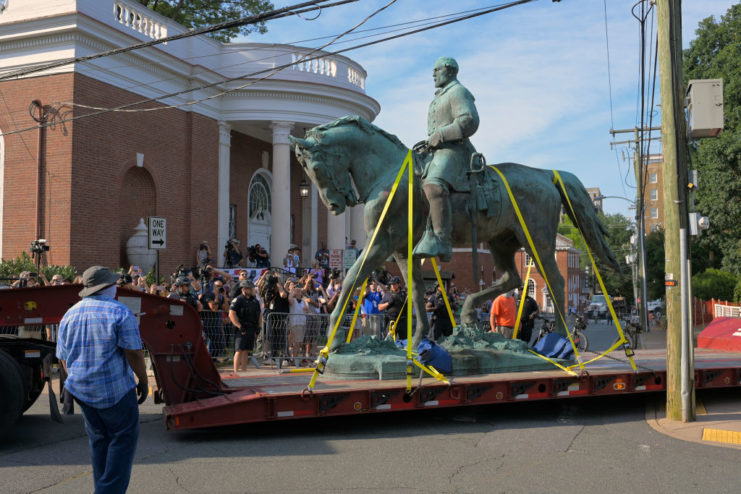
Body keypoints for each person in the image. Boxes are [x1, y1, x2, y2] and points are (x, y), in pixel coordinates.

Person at [56, 266, 148, 493]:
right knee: (122, 440)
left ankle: (102, 487)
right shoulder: (120, 312)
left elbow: (64, 358)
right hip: (116, 390)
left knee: (99, 441)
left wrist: (77, 382)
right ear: (108, 287)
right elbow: (134, 353)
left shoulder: (70, 314)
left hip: (82, 391)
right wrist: (143, 381)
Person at [413, 56, 480, 263]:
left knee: (433, 185)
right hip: (435, 152)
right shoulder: (440, 96)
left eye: (436, 70)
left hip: (455, 152)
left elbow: (469, 121)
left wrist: (440, 135)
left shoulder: (458, 92)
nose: (433, 74)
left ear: (449, 71)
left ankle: (442, 239)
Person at [228, 280, 262, 372]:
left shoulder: (255, 301)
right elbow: (231, 314)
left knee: (246, 350)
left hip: (251, 327)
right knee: (239, 350)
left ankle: (243, 370)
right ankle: (235, 371)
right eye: (250, 288)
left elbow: (259, 315)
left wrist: (259, 327)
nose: (252, 290)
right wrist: (239, 326)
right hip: (241, 328)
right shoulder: (238, 300)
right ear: (244, 289)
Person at [379, 276, 407, 341]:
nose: (392, 286)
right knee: (389, 341)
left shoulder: (404, 294)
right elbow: (380, 307)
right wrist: (388, 303)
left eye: (394, 284)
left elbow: (411, 306)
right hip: (392, 321)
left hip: (403, 321)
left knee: (405, 341)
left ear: (399, 284)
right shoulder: (388, 294)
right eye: (391, 284)